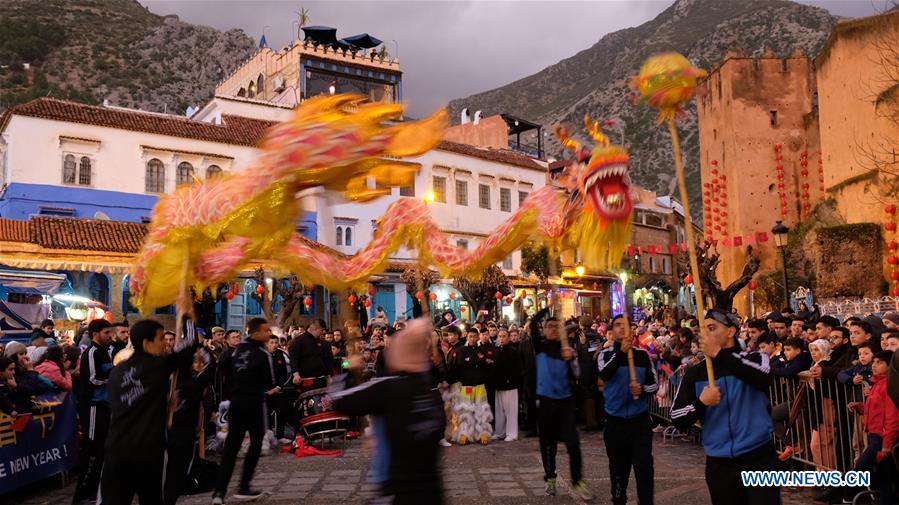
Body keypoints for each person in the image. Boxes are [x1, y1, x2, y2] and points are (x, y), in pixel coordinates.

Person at [330, 318, 446, 504]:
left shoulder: (388, 388)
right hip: (433, 491)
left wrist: (350, 369)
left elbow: (339, 401)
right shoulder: (430, 392)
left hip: (397, 490)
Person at [670, 309, 778, 505]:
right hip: (719, 463)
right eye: (703, 330)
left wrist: (719, 355)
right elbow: (677, 417)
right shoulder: (695, 373)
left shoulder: (755, 359)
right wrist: (700, 403)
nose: (705, 335)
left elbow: (763, 378)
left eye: (711, 328)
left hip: (759, 458)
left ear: (731, 332)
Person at [100, 319, 197, 504]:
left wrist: (162, 401)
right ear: (147, 343)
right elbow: (191, 341)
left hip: (116, 449)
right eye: (161, 339)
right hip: (147, 450)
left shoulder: (117, 371)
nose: (165, 344)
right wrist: (187, 317)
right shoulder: (157, 365)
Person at [213, 317, 279, 504]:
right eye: (266, 331)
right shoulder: (263, 354)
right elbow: (269, 382)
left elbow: (223, 369)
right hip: (254, 405)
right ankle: (243, 486)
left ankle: (219, 492)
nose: (268, 334)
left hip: (235, 403)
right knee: (256, 444)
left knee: (231, 449)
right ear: (256, 332)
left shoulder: (235, 351)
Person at [530, 308, 592, 500]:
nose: (553, 330)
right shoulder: (539, 345)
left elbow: (577, 375)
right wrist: (546, 310)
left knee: (573, 444)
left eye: (557, 327)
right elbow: (533, 324)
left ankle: (578, 481)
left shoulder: (568, 350)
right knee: (548, 445)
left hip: (565, 402)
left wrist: (571, 359)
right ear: (544, 330)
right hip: (545, 401)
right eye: (549, 326)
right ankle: (550, 479)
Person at [597, 315, 656, 505]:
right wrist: (621, 353)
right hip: (615, 422)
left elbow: (654, 384)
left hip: (639, 422)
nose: (622, 329)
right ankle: (618, 499)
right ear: (612, 331)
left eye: (625, 325)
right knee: (618, 470)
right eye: (617, 325)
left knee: (644, 466)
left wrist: (643, 389)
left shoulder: (642, 355)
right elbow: (604, 375)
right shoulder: (604, 355)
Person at [847, 350, 898, 505]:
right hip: (874, 435)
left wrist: (886, 446)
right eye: (874, 362)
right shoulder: (878, 383)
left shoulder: (889, 386)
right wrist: (861, 407)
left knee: (861, 467)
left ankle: (848, 497)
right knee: (884, 477)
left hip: (881, 438)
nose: (874, 366)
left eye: (879, 362)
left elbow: (892, 418)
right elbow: (877, 409)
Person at [72, 319, 113, 505]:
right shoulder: (92, 352)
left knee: (101, 450)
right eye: (106, 333)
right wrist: (113, 382)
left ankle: (93, 491)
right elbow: (91, 380)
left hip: (105, 407)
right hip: (93, 407)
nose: (109, 336)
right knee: (92, 447)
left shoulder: (105, 352)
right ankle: (81, 493)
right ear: (95, 333)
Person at [492, 329, 521, 442]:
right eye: (500, 336)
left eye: (504, 336)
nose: (502, 338)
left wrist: (512, 380)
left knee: (511, 411)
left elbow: (517, 369)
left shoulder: (513, 351)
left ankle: (512, 433)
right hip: (499, 385)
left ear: (508, 338)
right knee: (499, 410)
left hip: (510, 385)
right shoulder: (497, 350)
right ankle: (500, 432)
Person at [266, 334, 292, 444]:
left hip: (279, 389)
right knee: (266, 414)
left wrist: (278, 387)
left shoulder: (281, 354)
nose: (274, 345)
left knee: (281, 412)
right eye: (271, 343)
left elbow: (284, 374)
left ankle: (280, 435)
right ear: (266, 344)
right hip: (265, 390)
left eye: (276, 343)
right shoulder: (262, 355)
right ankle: (268, 435)